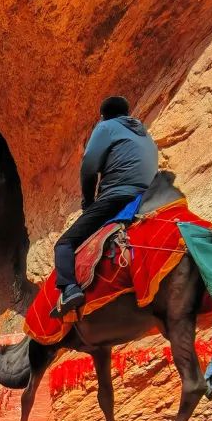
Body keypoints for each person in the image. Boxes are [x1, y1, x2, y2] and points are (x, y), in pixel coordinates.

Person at [54, 95, 159, 316]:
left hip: (117, 196)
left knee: (64, 244)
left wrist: (88, 202)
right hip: (149, 197)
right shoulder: (145, 134)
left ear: (103, 115)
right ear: (128, 113)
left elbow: (89, 168)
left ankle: (70, 289)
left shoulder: (105, 127)